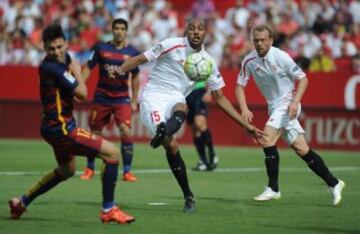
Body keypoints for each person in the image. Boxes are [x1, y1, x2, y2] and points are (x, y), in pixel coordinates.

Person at [115, 18, 265, 212]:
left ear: (206, 33)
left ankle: (166, 136)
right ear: (187, 31)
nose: (196, 32)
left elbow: (220, 98)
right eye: (192, 28)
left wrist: (244, 124)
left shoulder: (208, 62)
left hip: (175, 98)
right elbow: (140, 59)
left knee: (181, 104)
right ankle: (185, 187)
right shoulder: (171, 44)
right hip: (152, 97)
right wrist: (119, 70)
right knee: (172, 144)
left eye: (200, 28)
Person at [8, 25, 135, 224]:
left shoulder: (61, 61)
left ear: (66, 43)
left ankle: (21, 202)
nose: (57, 52)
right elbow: (83, 95)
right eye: (51, 49)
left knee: (67, 170)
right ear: (45, 49)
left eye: (59, 47)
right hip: (62, 129)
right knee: (112, 153)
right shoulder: (53, 67)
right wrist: (77, 73)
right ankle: (108, 209)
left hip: (52, 127)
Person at [235, 24, 345, 205]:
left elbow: (303, 79)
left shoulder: (281, 56)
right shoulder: (249, 60)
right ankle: (334, 183)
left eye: (263, 40)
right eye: (256, 40)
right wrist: (244, 108)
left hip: (287, 104)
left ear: (271, 40)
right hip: (274, 107)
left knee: (266, 139)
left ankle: (273, 188)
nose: (260, 43)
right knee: (302, 149)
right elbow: (239, 86)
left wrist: (294, 102)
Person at [80, 18, 140, 182]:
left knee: (126, 131)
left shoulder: (133, 53)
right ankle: (89, 168)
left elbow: (135, 78)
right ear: (112, 30)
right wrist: (78, 87)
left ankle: (127, 172)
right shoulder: (101, 48)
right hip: (102, 97)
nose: (119, 31)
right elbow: (88, 68)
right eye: (117, 28)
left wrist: (134, 100)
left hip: (121, 98)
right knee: (95, 133)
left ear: (126, 31)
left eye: (122, 28)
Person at [185, 81, 218, 171]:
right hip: (187, 93)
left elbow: (211, 74)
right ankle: (203, 161)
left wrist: (208, 92)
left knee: (199, 124)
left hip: (200, 91)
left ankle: (212, 154)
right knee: (194, 130)